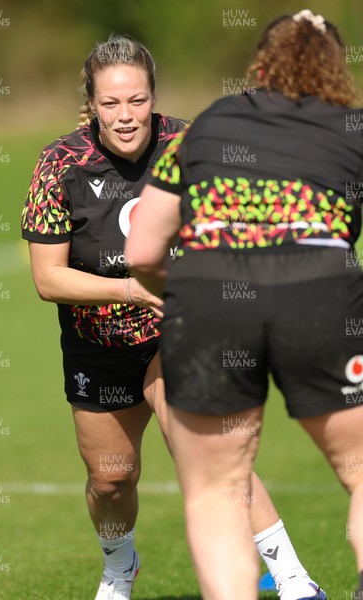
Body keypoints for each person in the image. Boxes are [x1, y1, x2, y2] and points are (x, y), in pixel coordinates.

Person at [21, 34, 325, 600]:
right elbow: (48, 279)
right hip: (98, 340)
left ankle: (291, 578)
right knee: (112, 480)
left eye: (137, 100)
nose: (126, 115)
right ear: (91, 103)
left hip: (183, 327)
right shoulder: (59, 163)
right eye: (111, 103)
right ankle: (119, 565)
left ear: (153, 96)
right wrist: (132, 290)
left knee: (200, 438)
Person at [126, 9, 363, 600]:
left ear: (259, 67)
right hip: (320, 287)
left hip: (208, 293)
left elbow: (142, 250)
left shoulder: (208, 124)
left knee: (217, 489)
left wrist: (185, 295)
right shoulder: (351, 125)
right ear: (337, 72)